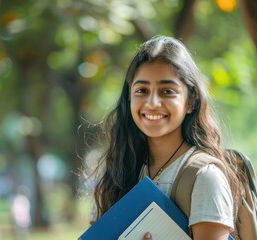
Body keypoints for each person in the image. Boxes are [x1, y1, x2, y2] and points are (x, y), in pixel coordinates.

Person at [87, 35, 241, 240]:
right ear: (129, 97)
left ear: (191, 101)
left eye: (167, 91)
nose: (152, 102)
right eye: (141, 90)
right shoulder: (117, 173)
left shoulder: (204, 177)